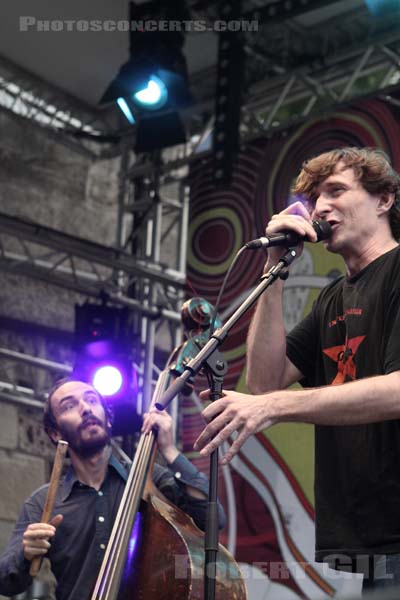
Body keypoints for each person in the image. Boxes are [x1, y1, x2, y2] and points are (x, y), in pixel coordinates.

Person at [194, 146, 400, 590]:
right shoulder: (331, 299)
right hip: (373, 537)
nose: (321, 206)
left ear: (384, 199)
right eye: (314, 198)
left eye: (337, 191)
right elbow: (265, 384)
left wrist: (278, 405)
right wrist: (275, 267)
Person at [0, 378, 225, 600]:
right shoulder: (41, 502)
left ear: (108, 419)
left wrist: (170, 451)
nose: (86, 409)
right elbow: (6, 583)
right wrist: (25, 552)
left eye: (91, 400)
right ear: (55, 433)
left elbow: (212, 519)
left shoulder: (149, 478)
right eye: (69, 406)